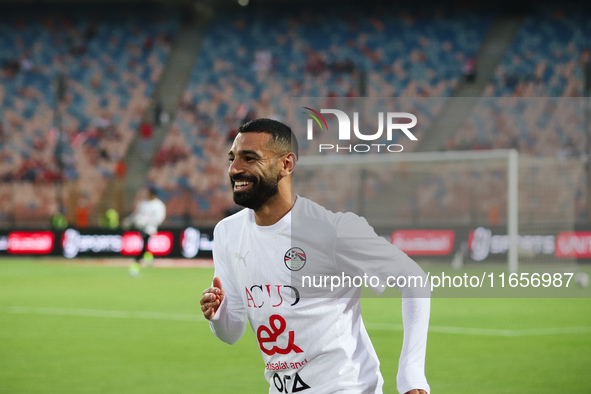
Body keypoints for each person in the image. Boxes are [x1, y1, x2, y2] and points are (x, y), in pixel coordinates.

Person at [200, 118, 430, 393]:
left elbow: (415, 280)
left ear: (287, 164)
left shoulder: (333, 230)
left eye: (250, 158)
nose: (235, 168)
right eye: (232, 158)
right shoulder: (227, 233)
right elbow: (232, 332)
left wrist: (411, 374)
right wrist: (217, 316)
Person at [123, 187, 166, 277]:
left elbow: (158, 218)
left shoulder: (158, 205)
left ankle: (136, 266)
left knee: (143, 247)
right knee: (144, 246)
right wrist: (129, 221)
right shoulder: (143, 204)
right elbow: (137, 214)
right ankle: (148, 259)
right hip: (141, 228)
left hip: (150, 229)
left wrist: (146, 222)